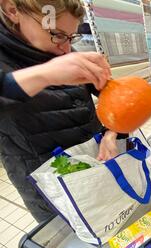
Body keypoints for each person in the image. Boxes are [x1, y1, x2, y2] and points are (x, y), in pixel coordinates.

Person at [0, 0, 119, 222]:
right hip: (51, 191)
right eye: (56, 34)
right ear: (12, 9)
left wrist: (112, 132)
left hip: (96, 166)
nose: (65, 48)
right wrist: (46, 74)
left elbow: (114, 98)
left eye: (71, 37)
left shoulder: (63, 49)